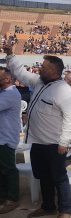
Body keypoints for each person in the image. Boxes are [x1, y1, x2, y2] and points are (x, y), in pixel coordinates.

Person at [4, 44, 71, 218]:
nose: (39, 69)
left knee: (59, 177)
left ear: (52, 71)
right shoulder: (39, 82)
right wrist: (10, 54)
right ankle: (48, 206)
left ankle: (65, 210)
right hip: (37, 141)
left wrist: (64, 142)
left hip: (54, 143)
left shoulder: (64, 91)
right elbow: (21, 73)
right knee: (43, 176)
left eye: (43, 67)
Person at [0, 67, 22, 214]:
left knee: (8, 169)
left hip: (6, 138)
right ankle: (3, 196)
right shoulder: (5, 92)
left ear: (7, 79)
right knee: (2, 169)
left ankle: (13, 198)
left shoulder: (11, 94)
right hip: (2, 136)